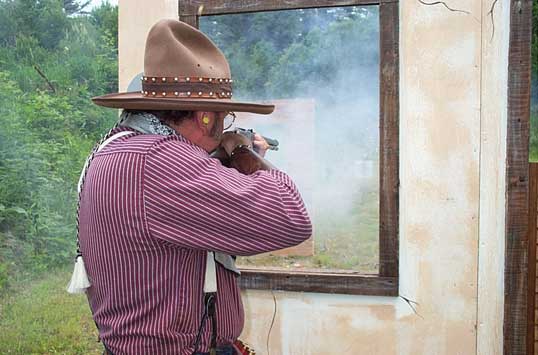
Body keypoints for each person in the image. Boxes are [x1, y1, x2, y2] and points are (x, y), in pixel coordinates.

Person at [68, 19, 312, 355]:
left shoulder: (119, 148)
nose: (224, 125)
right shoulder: (162, 160)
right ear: (205, 118)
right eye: (222, 117)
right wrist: (241, 151)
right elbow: (290, 217)